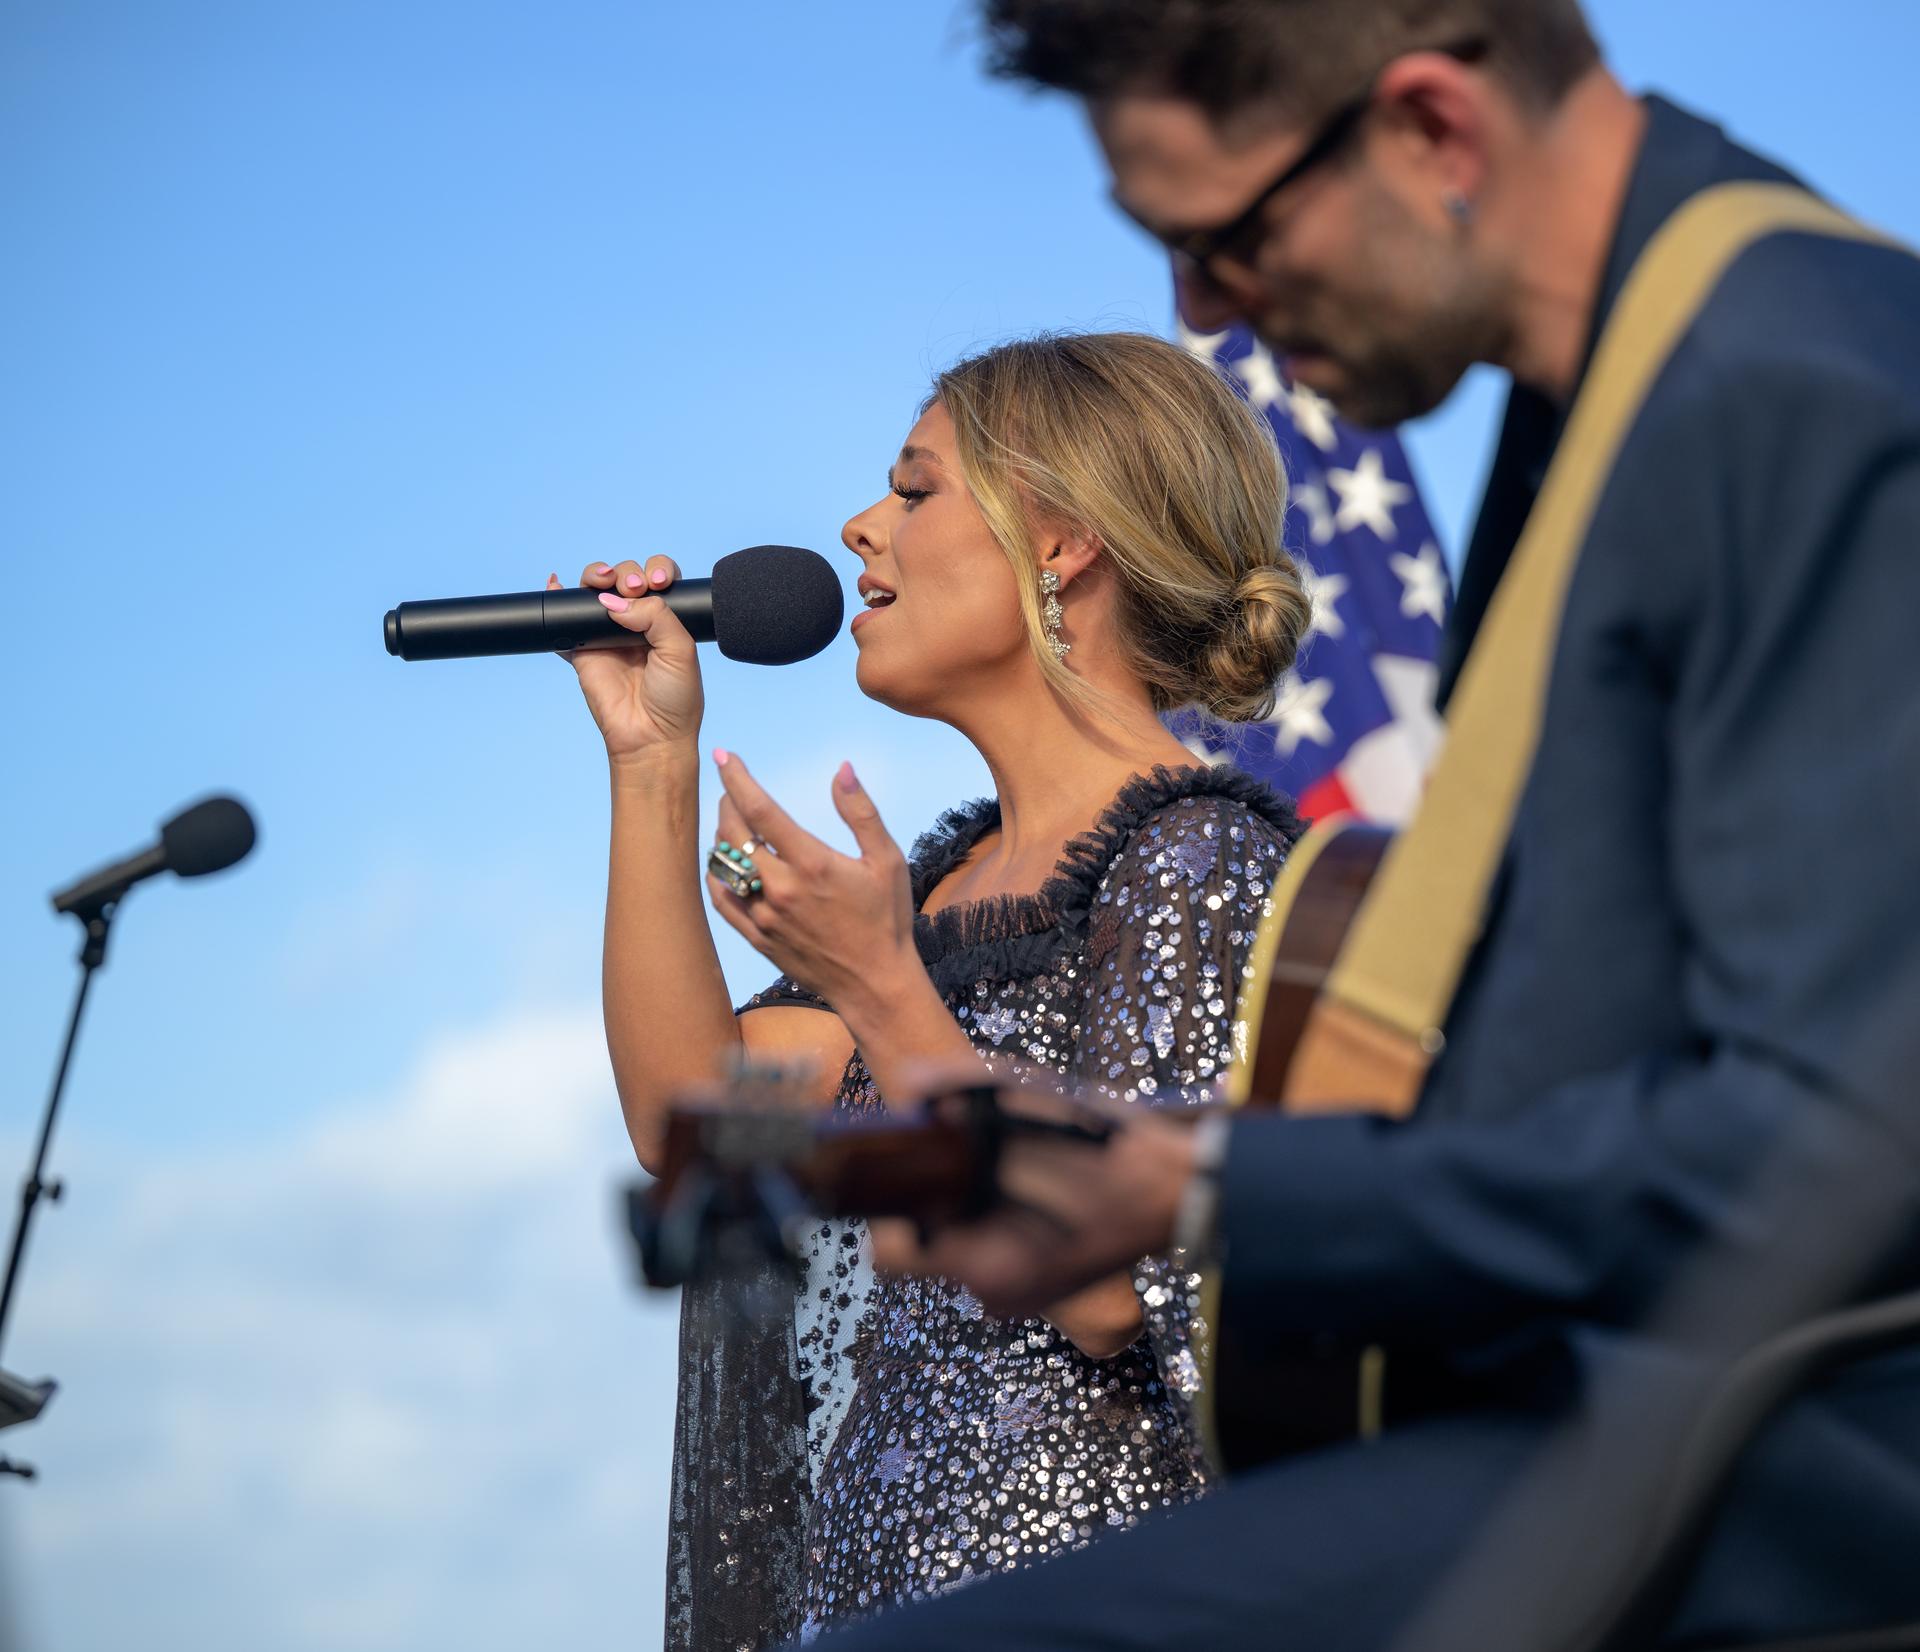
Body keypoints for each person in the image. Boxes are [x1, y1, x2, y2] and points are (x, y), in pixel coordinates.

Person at [800, 1, 1920, 1647]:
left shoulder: (1795, 387)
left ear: (1434, 132)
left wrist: (1213, 1197)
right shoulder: (1623, 394)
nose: (1199, 308)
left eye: (1225, 239)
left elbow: (1831, 1154)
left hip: (1803, 1458)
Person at [558, 331, 1311, 1647]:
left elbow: (1114, 1296)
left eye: (912, 491)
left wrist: (888, 992)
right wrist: (650, 760)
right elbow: (694, 1119)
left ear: (1061, 540)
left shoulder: (1199, 862)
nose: (862, 528)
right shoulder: (938, 888)